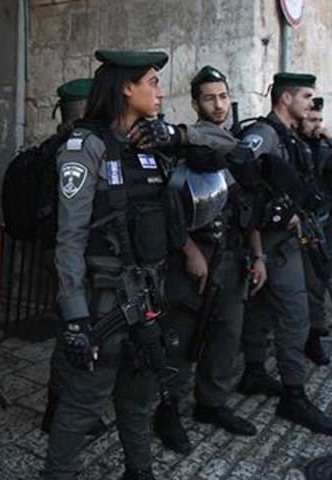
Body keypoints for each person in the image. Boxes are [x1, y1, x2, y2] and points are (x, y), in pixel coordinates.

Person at [44, 49, 182, 480]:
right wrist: (75, 318)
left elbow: (226, 147)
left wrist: (177, 137)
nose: (160, 92)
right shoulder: (85, 148)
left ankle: (139, 471)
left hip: (147, 301)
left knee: (138, 399)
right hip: (102, 304)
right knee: (82, 405)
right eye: (153, 82)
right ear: (126, 88)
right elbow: (69, 239)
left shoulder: (149, 145)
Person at [152, 66, 260, 454]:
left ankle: (212, 404)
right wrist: (189, 250)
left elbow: (249, 207)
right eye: (209, 97)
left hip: (234, 257)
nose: (218, 104)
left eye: (222, 96)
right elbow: (168, 208)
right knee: (182, 338)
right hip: (195, 260)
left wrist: (259, 255)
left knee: (226, 335)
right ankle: (169, 410)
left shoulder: (239, 148)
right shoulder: (189, 145)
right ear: (196, 103)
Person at [237, 72, 332, 435]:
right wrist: (270, 213)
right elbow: (240, 173)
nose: (312, 103)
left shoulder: (291, 138)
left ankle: (255, 371)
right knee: (296, 316)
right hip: (272, 242)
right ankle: (294, 394)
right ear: (285, 99)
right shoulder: (266, 134)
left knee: (261, 311)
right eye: (307, 96)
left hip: (282, 239)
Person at [41, 77, 93, 434]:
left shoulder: (54, 145)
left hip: (57, 251)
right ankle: (58, 411)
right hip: (69, 255)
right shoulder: (71, 150)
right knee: (69, 333)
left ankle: (60, 407)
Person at [298, 96, 332, 366]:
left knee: (318, 281)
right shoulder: (296, 147)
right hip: (297, 226)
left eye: (319, 120)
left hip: (321, 224)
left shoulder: (322, 149)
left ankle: (315, 333)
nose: (316, 125)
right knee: (308, 285)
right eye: (311, 120)